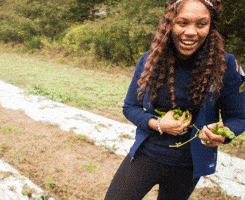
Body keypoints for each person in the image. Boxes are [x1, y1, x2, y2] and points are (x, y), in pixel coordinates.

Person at [105, 0, 245, 199]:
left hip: (187, 166)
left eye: (201, 24)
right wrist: (158, 124)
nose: (191, 31)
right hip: (147, 154)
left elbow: (239, 118)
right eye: (182, 22)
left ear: (210, 26)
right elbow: (130, 107)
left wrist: (223, 134)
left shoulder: (226, 65)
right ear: (169, 23)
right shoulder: (149, 60)